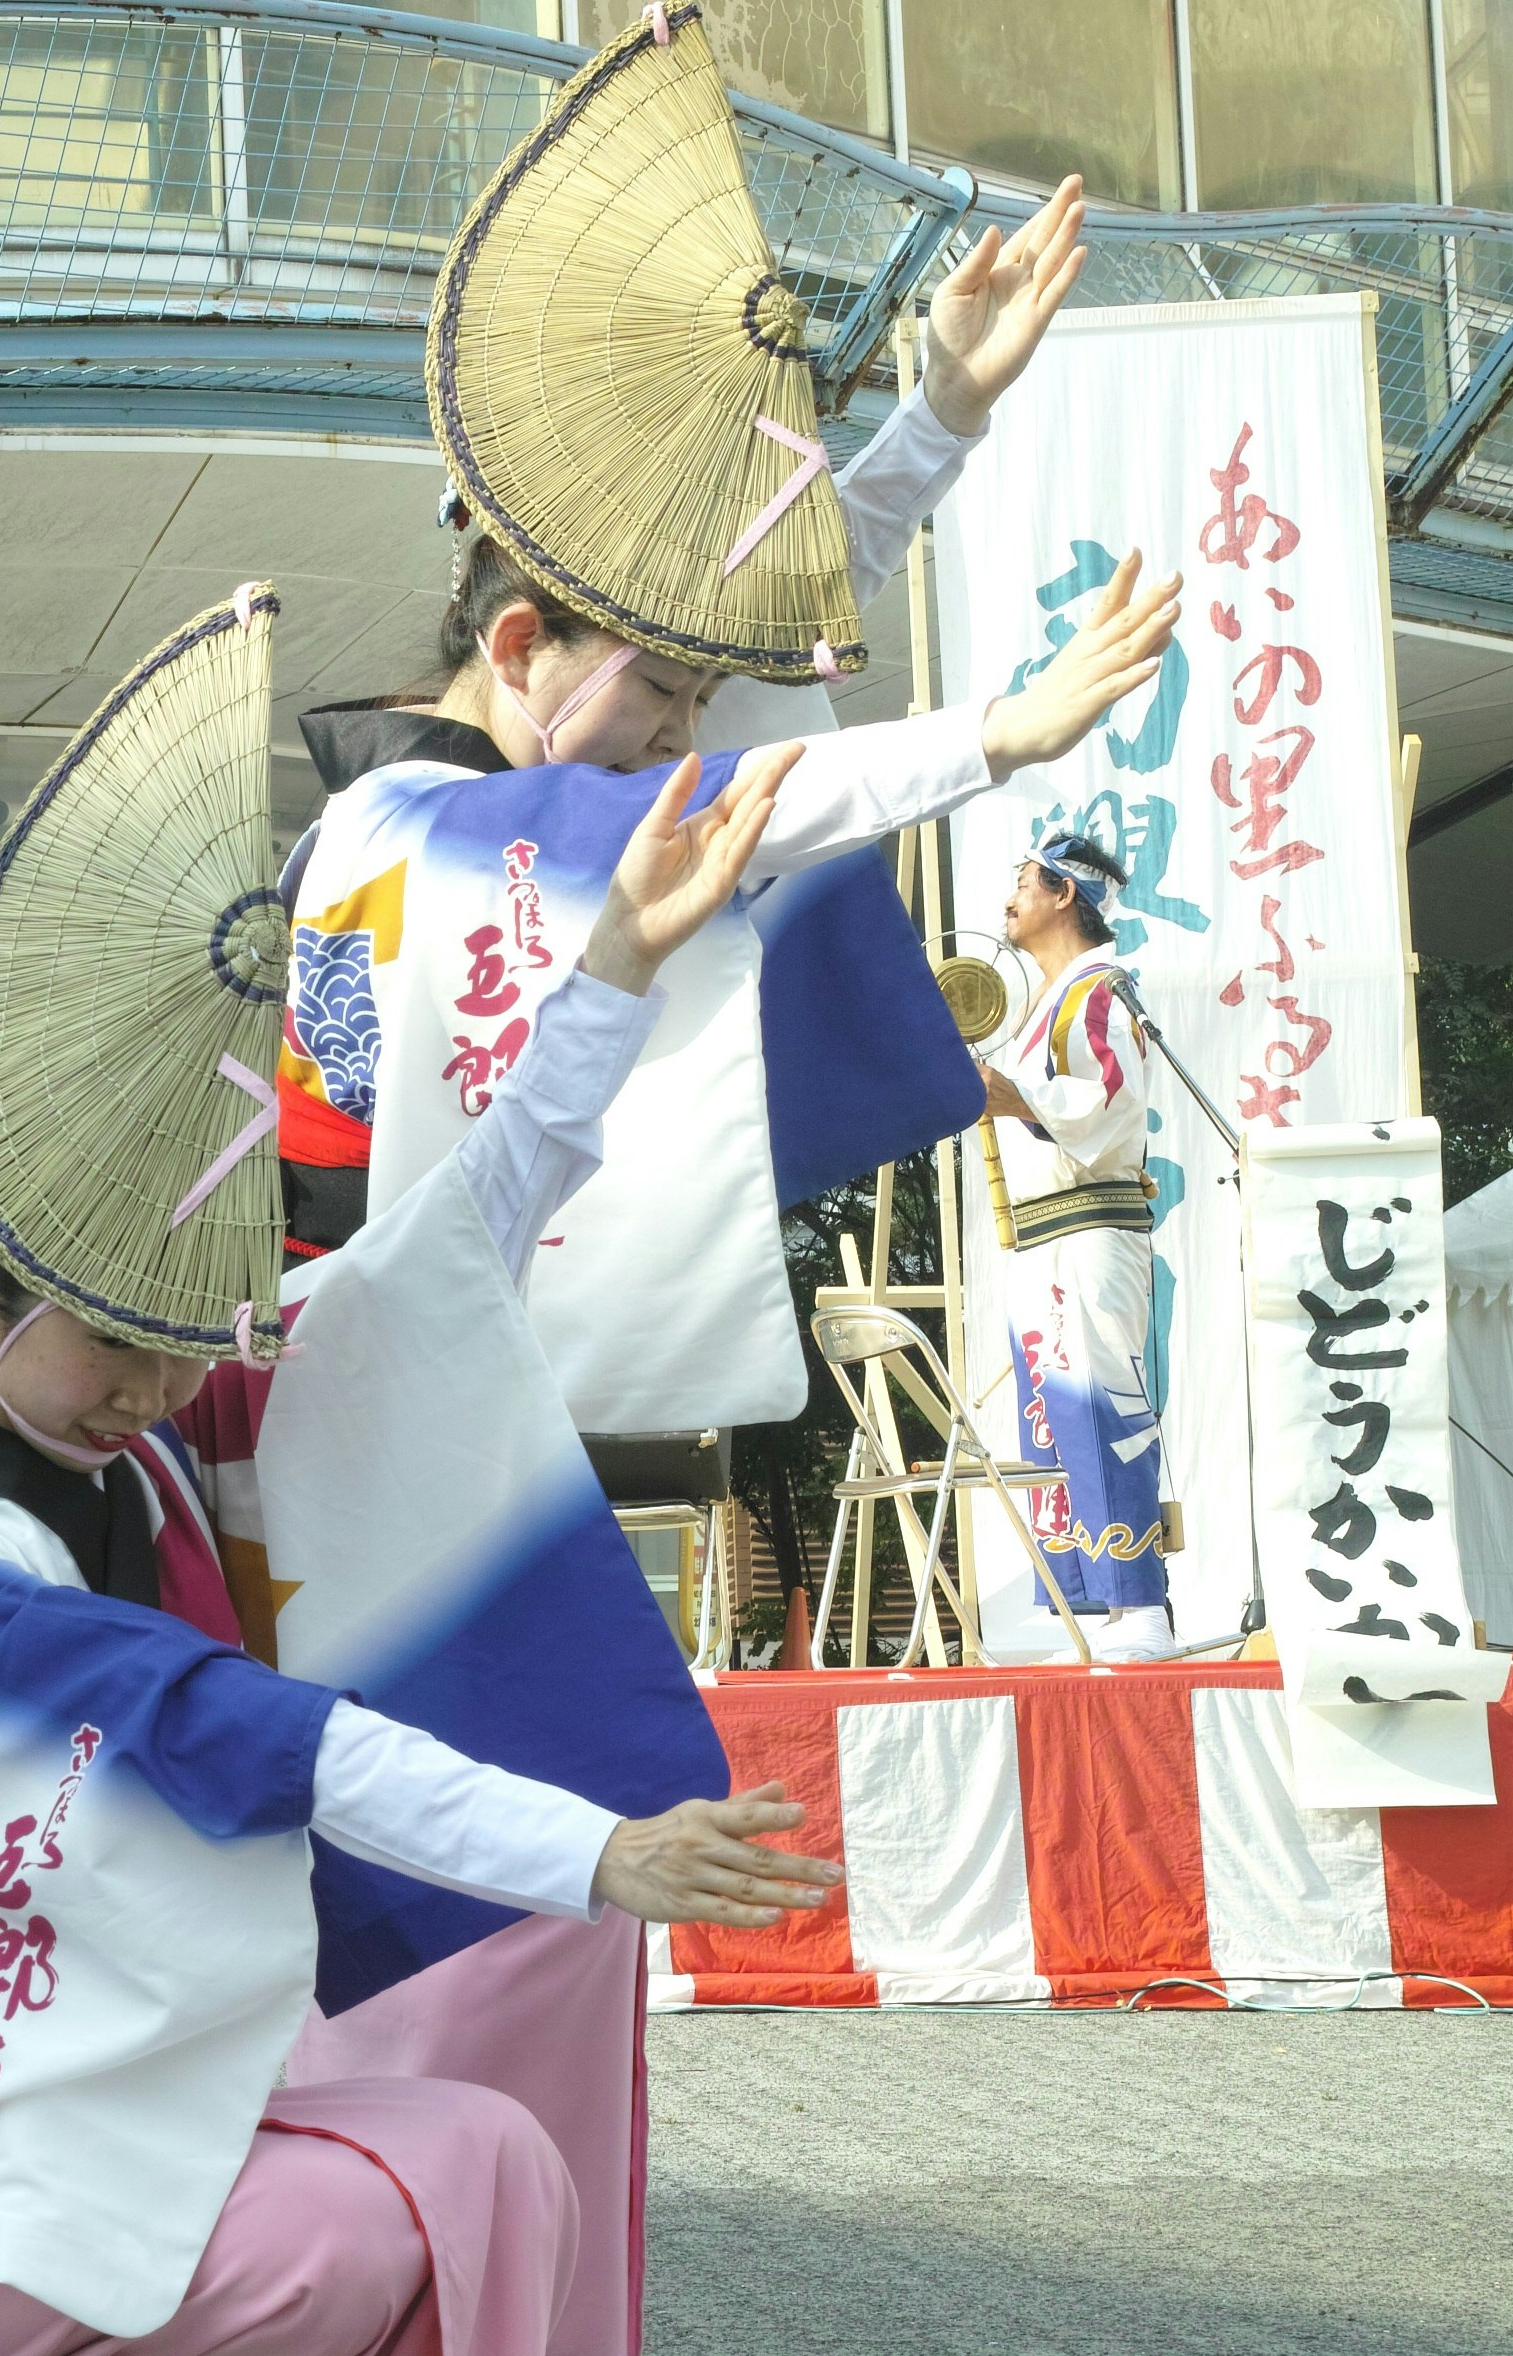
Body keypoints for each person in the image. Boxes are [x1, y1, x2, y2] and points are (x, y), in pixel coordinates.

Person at [0, 584, 838, 2356]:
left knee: (483, 2165)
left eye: (191, 1316)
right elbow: (247, 1727)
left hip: (103, 2093)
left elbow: (467, 1211)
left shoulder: (155, 1424)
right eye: (107, 1317)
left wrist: (619, 953)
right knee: (372, 2237)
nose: (158, 1369)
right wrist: (597, 1850)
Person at [277, 172, 1095, 1296]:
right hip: (367, 1330)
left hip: (479, 1308)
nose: (677, 734)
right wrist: (998, 733)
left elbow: (772, 629)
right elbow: (747, 797)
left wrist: (942, 409)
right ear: (517, 645)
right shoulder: (415, 818)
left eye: (697, 704)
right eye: (663, 691)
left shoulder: (513, 757)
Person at [984, 831, 1174, 1656]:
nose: (1009, 897)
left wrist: (1007, 1091)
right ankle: (1083, 1609)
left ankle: (1139, 1603)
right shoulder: (1048, 1002)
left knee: (1098, 1404)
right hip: (1043, 1237)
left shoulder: (1099, 991)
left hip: (1088, 1227)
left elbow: (1100, 1106)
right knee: (1050, 1418)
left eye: (1024, 880)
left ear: (1065, 893)